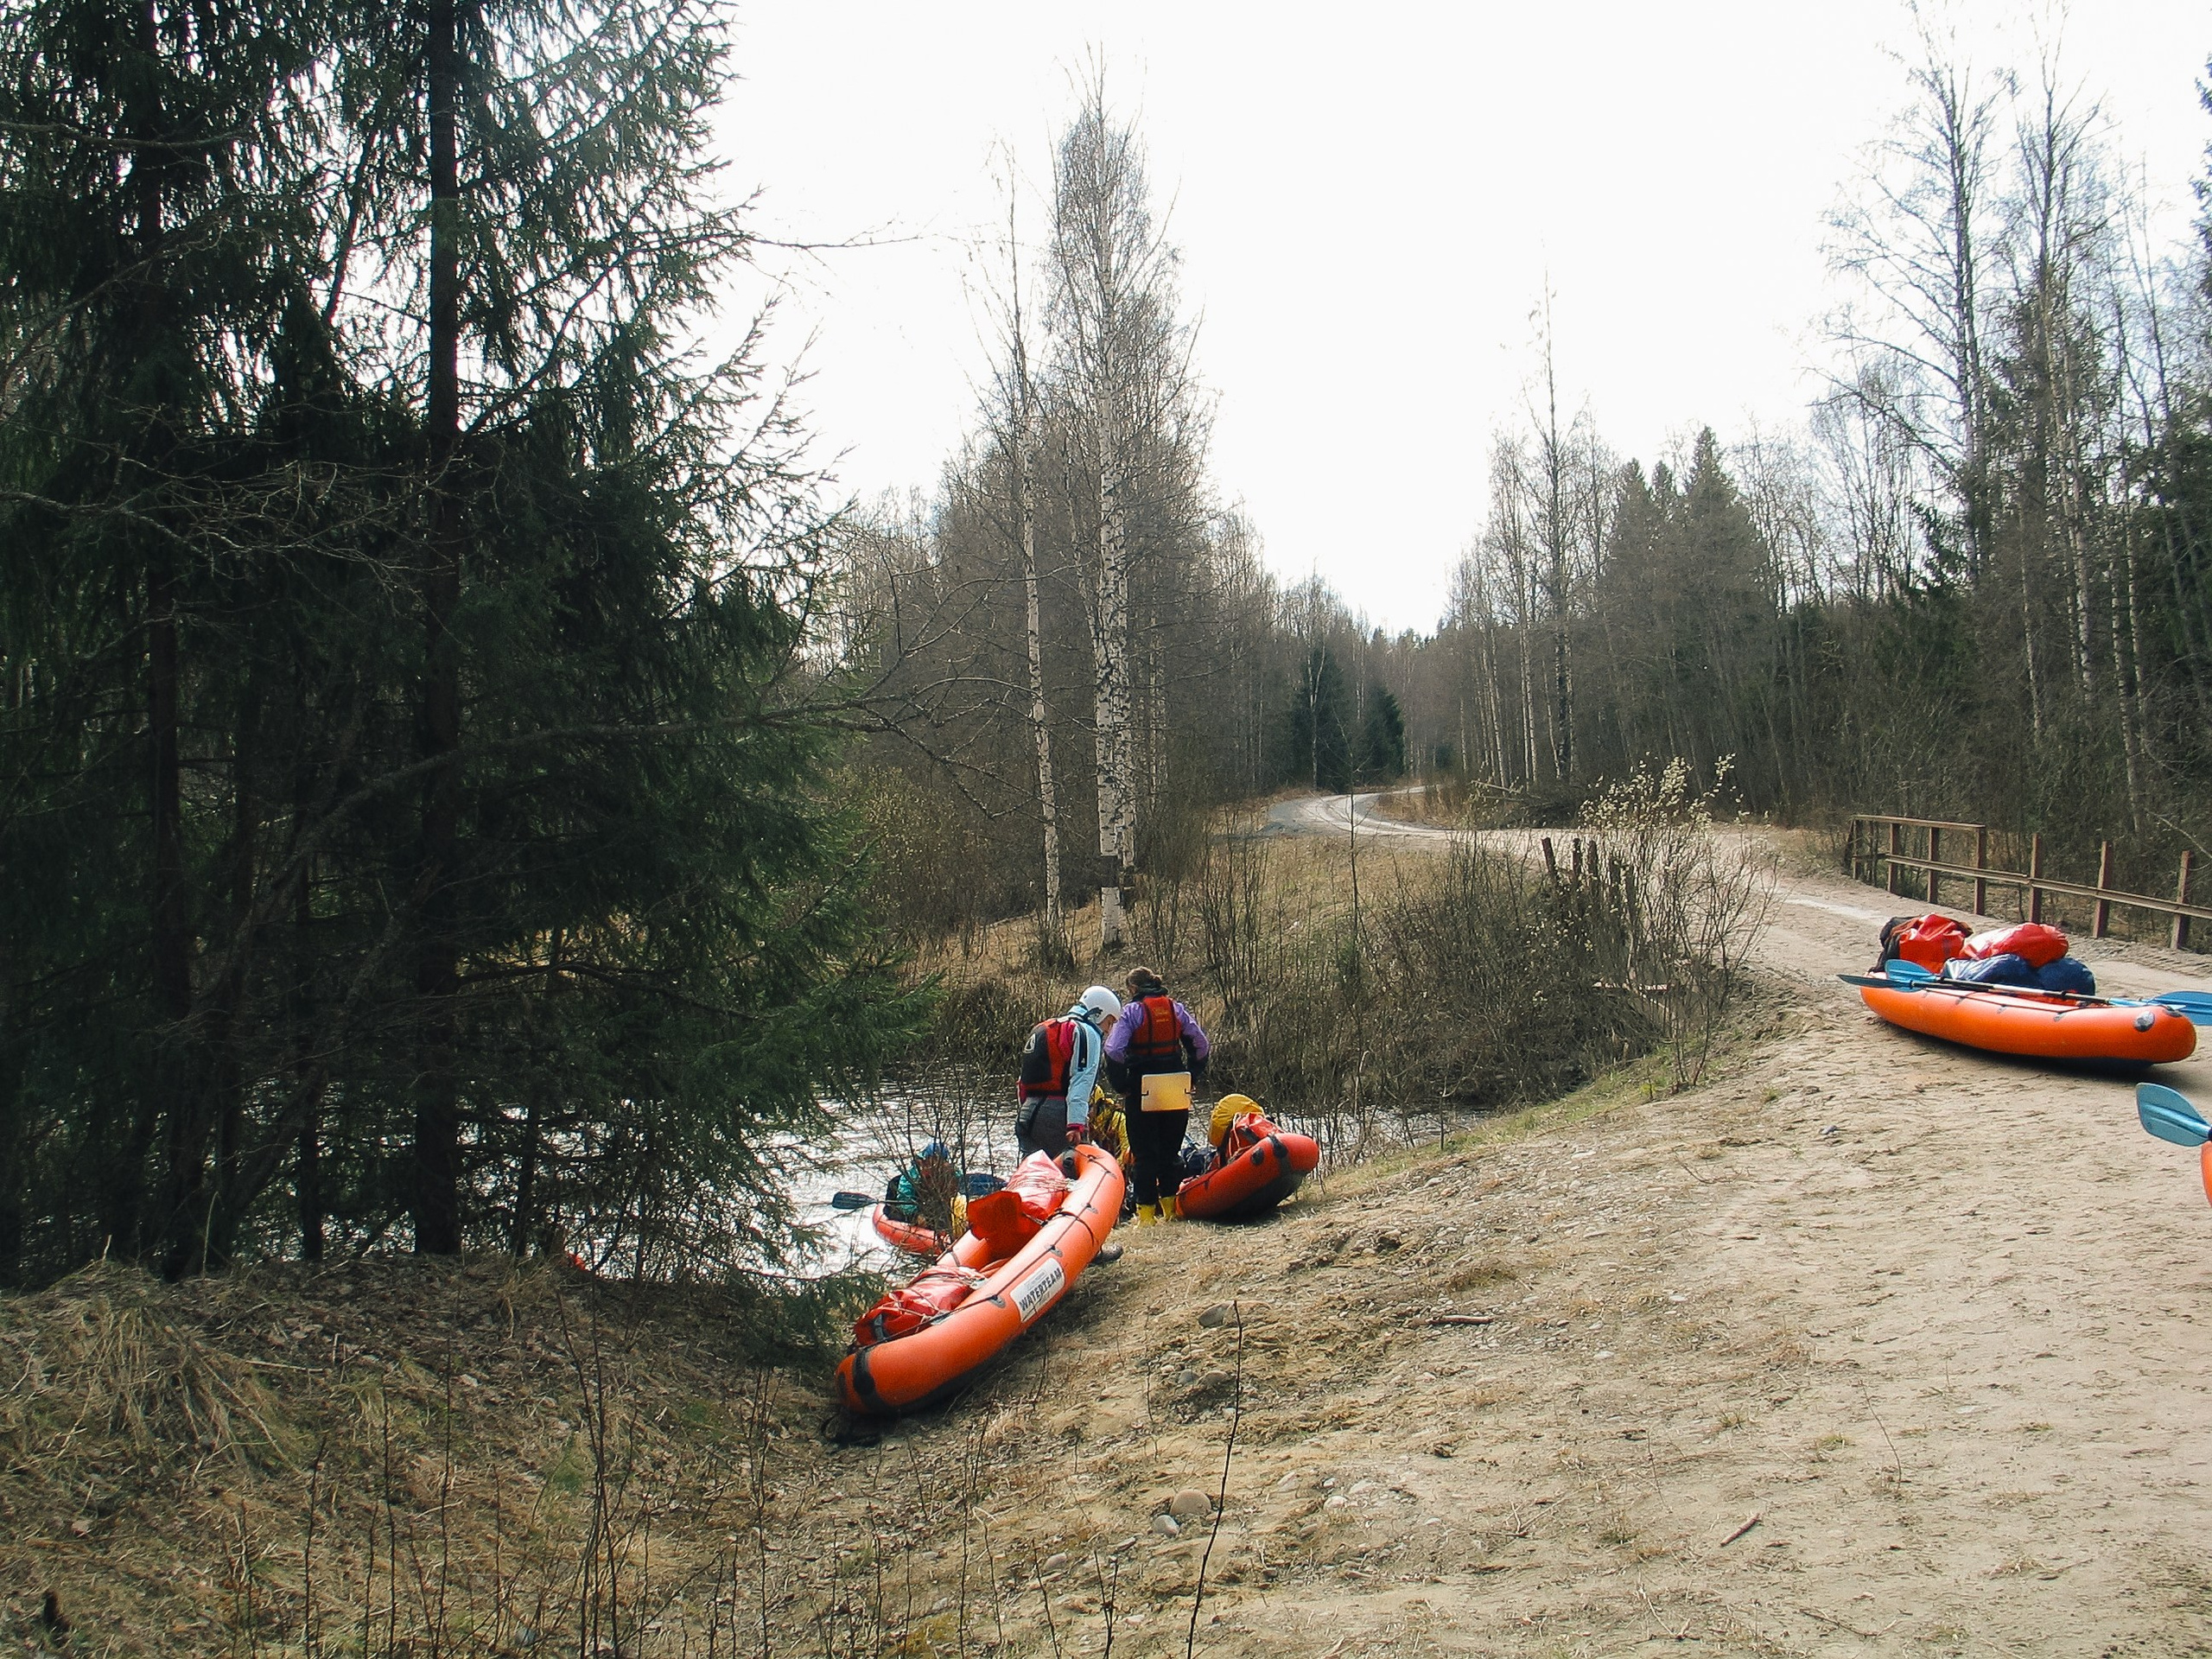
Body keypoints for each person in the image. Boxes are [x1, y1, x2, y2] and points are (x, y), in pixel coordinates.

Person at [1103, 966, 1211, 1224]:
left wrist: (1121, 1085)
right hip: (1175, 1086)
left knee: (1144, 1154)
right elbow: (1201, 1045)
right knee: (1170, 1152)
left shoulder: (1131, 1012)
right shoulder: (1176, 1009)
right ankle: (1171, 1212)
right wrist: (1192, 1076)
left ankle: (1146, 1218)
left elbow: (1114, 1050)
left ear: (1133, 989)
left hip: (1143, 1088)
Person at [1015, 985, 1122, 1159]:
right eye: (1109, 1022)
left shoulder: (1045, 1028)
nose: (1108, 1030)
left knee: (1036, 1170)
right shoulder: (1087, 1032)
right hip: (1057, 1116)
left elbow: (1023, 1082)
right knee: (1073, 1170)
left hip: (1027, 1114)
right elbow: (1082, 1080)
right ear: (1099, 1013)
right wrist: (1076, 1124)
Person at [883, 1141, 961, 1236]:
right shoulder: (912, 1175)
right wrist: (916, 1215)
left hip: (937, 1209)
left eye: (939, 1160)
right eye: (933, 1159)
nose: (936, 1164)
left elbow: (960, 1189)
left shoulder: (951, 1172)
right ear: (926, 1159)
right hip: (913, 1208)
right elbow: (905, 1198)